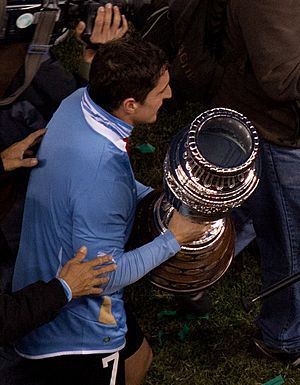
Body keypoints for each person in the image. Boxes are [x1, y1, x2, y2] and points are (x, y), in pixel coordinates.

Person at [10, 37, 209, 385]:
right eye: (161, 90)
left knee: (139, 356)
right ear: (130, 104)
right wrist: (174, 238)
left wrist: (156, 198)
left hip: (41, 283)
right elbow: (104, 276)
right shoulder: (103, 173)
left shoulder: (78, 102)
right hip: (76, 333)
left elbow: (102, 186)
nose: (170, 95)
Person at [213, 0, 300, 365]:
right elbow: (282, 78)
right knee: (290, 241)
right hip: (279, 131)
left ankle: (193, 273)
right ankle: (284, 339)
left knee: (249, 218)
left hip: (283, 127)